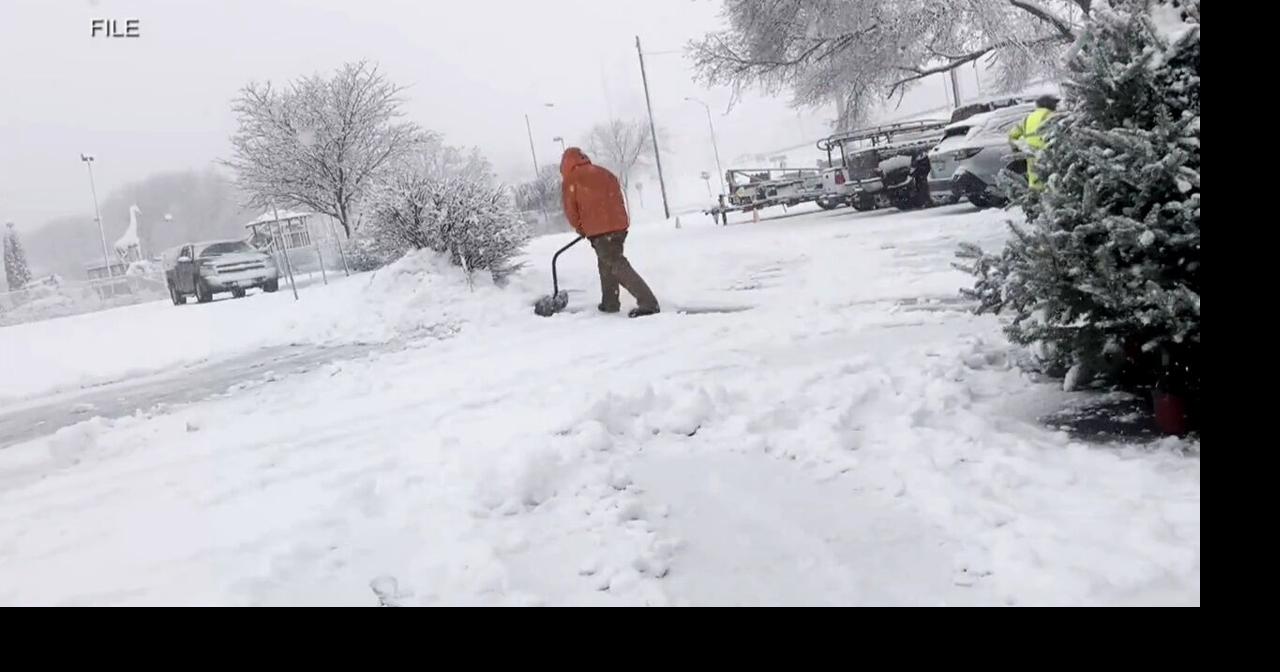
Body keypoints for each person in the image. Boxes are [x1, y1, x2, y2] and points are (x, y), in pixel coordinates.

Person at [560, 147, 660, 318]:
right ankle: (610, 302)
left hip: (600, 230)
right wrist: (618, 222)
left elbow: (572, 211)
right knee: (606, 263)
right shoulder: (603, 172)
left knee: (616, 264)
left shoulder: (571, 180)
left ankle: (648, 302)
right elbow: (617, 197)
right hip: (618, 227)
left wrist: (581, 228)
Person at [1008, 94, 1059, 189]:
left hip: (1031, 156)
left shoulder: (1027, 118)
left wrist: (1018, 148)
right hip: (1050, 156)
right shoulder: (1052, 116)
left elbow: (1012, 136)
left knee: (1035, 183)